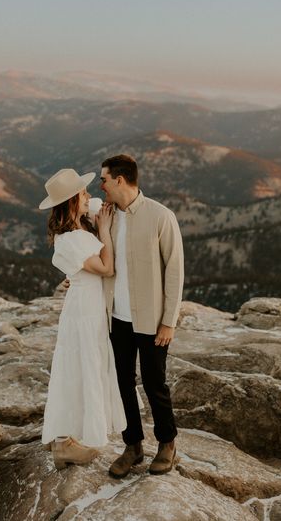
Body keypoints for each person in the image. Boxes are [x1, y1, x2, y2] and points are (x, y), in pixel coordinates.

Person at [99, 154, 184, 477]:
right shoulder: (106, 217)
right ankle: (132, 445)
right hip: (116, 318)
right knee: (121, 382)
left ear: (120, 180)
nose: (101, 185)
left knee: (154, 382)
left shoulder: (161, 217)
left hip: (151, 320)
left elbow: (175, 272)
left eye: (103, 179)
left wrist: (169, 321)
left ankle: (167, 443)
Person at [39, 168, 126, 470]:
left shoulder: (78, 227)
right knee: (81, 368)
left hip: (89, 307)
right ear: (73, 201)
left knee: (85, 366)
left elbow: (102, 207)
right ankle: (66, 442)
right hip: (85, 312)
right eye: (84, 193)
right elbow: (106, 269)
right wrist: (103, 230)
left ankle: (69, 438)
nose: (90, 196)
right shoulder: (73, 238)